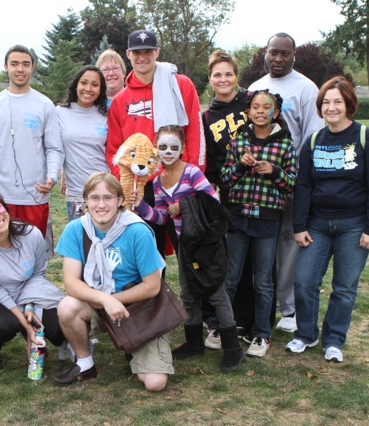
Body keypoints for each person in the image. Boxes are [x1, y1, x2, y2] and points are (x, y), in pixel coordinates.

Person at [285, 76, 369, 363]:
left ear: (349, 105)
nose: (331, 108)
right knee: (304, 281)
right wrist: (299, 226)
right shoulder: (315, 140)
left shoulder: (367, 137)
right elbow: (303, 185)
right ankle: (306, 334)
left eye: (337, 102)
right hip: (317, 225)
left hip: (353, 226)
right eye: (326, 102)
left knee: (344, 287)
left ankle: (334, 340)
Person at [134, 125, 244, 371]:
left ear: (182, 148)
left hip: (208, 244)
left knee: (216, 293)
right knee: (188, 292)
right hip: (186, 245)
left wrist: (182, 205)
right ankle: (194, 343)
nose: (168, 151)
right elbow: (162, 218)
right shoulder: (158, 181)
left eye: (174, 147)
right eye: (163, 147)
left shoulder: (192, 172)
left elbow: (212, 202)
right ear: (156, 149)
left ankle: (234, 350)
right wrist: (141, 206)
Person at [52, 172, 170, 391]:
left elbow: (152, 286)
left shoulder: (138, 231)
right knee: (67, 306)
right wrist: (105, 300)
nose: (101, 204)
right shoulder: (76, 229)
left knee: (155, 383)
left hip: (138, 307)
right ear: (85, 201)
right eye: (94, 198)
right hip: (100, 302)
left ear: (120, 200)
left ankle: (134, 345)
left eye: (108, 197)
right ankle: (85, 363)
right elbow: (70, 283)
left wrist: (114, 300)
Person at [106, 29, 205, 260]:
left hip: (178, 180)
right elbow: (115, 149)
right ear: (128, 54)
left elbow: (195, 136)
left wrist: (194, 177)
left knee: (192, 254)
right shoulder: (121, 100)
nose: (143, 57)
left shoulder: (179, 85)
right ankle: (153, 296)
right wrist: (125, 186)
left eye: (148, 52)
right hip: (143, 187)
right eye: (137, 52)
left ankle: (194, 297)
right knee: (147, 254)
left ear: (157, 52)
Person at [249, 33, 324, 333]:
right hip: (258, 185)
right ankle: (260, 305)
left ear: (294, 56)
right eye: (273, 53)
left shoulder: (306, 88)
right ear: (265, 54)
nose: (278, 59)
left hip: (290, 182)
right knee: (262, 246)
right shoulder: (255, 88)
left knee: (288, 246)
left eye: (285, 53)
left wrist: (296, 178)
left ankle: (289, 309)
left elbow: (312, 137)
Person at [221, 90, 297, 358]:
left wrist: (274, 171)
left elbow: (291, 183)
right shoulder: (238, 140)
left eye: (267, 107)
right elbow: (225, 180)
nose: (261, 111)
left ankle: (261, 332)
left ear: (275, 113)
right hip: (239, 217)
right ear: (249, 112)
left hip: (267, 220)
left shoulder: (285, 144)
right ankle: (224, 327)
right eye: (255, 107)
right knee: (230, 278)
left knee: (263, 281)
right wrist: (241, 167)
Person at [0, 189, 65, 373]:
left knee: (57, 329)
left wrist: (29, 306)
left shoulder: (31, 235)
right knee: (5, 325)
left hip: (28, 293)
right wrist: (24, 322)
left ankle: (29, 333)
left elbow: (38, 273)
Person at [0, 45, 64, 237]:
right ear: (5, 66)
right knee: (0, 250)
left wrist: (52, 177)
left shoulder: (44, 104)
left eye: (26, 64)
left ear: (32, 67)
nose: (20, 69)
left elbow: (54, 148)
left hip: (35, 195)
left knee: (33, 251)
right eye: (14, 64)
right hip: (0, 196)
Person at [201, 49, 255, 349]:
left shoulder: (252, 102)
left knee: (257, 261)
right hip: (230, 196)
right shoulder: (206, 117)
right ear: (210, 80)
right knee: (230, 260)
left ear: (237, 75)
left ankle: (253, 319)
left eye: (228, 73)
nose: (223, 79)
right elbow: (209, 165)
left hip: (260, 192)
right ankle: (224, 318)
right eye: (217, 74)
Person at [56, 65, 109, 221]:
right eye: (84, 83)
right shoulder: (59, 113)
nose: (88, 88)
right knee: (81, 241)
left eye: (95, 84)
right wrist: (61, 173)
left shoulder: (106, 115)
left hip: (105, 190)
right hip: (77, 193)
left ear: (100, 89)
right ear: (76, 85)